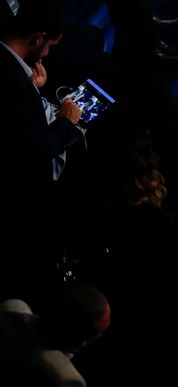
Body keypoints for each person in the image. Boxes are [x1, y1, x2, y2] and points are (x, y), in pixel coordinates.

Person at [0, 0, 84, 301]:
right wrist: (65, 124)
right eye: (49, 45)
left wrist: (34, 88)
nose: (48, 54)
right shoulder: (11, 81)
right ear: (38, 38)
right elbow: (30, 151)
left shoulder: (11, 71)